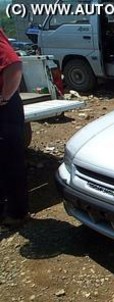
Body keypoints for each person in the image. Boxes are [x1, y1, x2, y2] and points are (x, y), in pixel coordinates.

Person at [0, 28, 29, 227]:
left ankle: (18, 213)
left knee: (11, 162)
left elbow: (14, 65)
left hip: (5, 110)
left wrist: (3, 97)